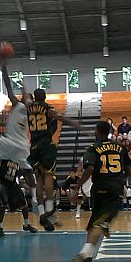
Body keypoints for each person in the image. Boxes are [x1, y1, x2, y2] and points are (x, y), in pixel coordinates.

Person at [70, 121, 131, 262]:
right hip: (114, 190)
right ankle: (83, 255)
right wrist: (122, 178)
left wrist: (78, 185)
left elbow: (89, 168)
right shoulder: (120, 147)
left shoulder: (92, 148)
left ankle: (88, 260)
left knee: (94, 223)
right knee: (101, 224)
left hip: (98, 188)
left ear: (97, 131)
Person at [27, 88, 81, 231]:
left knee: (39, 178)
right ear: (44, 97)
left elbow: (25, 100)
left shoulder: (29, 107)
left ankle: (41, 212)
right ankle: (50, 211)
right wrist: (74, 124)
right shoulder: (47, 108)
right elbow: (60, 118)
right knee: (49, 176)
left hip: (33, 145)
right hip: (45, 144)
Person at [0, 159, 38, 237]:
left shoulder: (18, 160)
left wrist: (32, 189)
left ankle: (26, 225)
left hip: (13, 184)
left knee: (24, 204)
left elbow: (24, 173)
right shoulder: (5, 157)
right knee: (2, 206)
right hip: (3, 183)